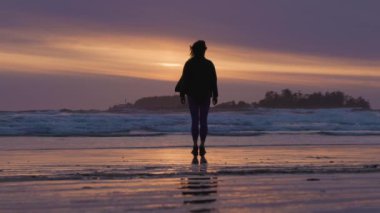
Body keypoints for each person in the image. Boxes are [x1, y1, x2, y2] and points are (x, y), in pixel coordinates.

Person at [175, 40, 218, 156]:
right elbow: (213, 80)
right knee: (203, 121)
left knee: (195, 120)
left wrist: (182, 94)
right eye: (204, 49)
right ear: (202, 50)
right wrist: (215, 95)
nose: (205, 50)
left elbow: (184, 80)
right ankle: (202, 146)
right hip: (205, 95)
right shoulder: (209, 64)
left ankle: (195, 146)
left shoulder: (189, 63)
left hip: (193, 95)